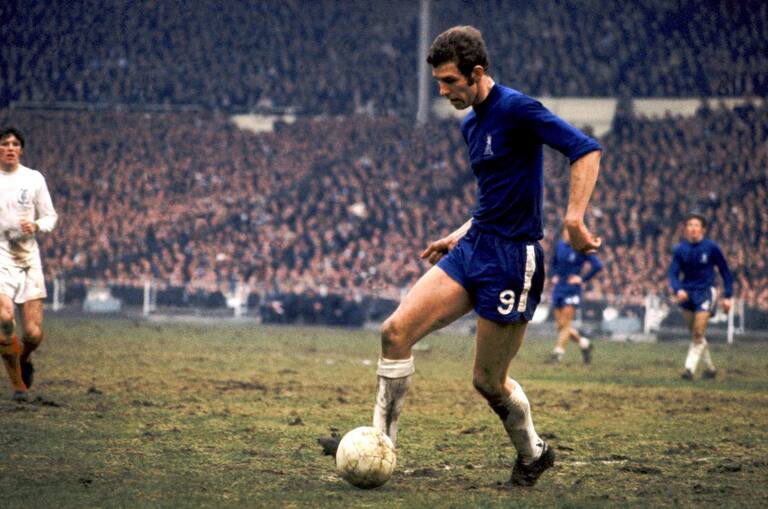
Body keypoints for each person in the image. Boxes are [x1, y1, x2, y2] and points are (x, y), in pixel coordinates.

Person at [322, 26, 602, 487]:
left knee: (488, 381)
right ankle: (378, 446)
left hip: (513, 259)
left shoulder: (518, 108)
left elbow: (585, 150)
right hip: (474, 248)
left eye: (450, 81)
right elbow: (495, 198)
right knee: (394, 333)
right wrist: (457, 235)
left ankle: (534, 453)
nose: (443, 91)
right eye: (438, 82)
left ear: (477, 72)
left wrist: (574, 218)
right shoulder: (470, 124)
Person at [0, 127, 58, 401]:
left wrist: (35, 225)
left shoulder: (33, 179)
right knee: (4, 318)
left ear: (21, 150)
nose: (10, 148)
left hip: (27, 257)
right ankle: (18, 386)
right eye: (4, 143)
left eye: (15, 144)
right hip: (0, 255)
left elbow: (50, 217)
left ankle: (23, 359)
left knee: (33, 334)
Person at [668, 213, 733, 380]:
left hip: (705, 292)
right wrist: (678, 289)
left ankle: (689, 369)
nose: (693, 228)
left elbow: (725, 271)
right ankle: (710, 369)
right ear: (685, 229)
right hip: (686, 294)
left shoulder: (711, 247)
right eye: (690, 225)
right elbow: (673, 273)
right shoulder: (680, 249)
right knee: (697, 336)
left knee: (698, 333)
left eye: (696, 225)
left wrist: (728, 296)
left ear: (703, 229)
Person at [547, 226, 603, 364]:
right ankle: (584, 343)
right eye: (566, 232)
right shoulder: (559, 245)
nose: (568, 235)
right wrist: (553, 275)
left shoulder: (581, 247)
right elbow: (553, 263)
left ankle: (558, 353)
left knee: (566, 324)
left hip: (572, 289)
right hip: (559, 288)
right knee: (560, 326)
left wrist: (582, 279)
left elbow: (597, 265)